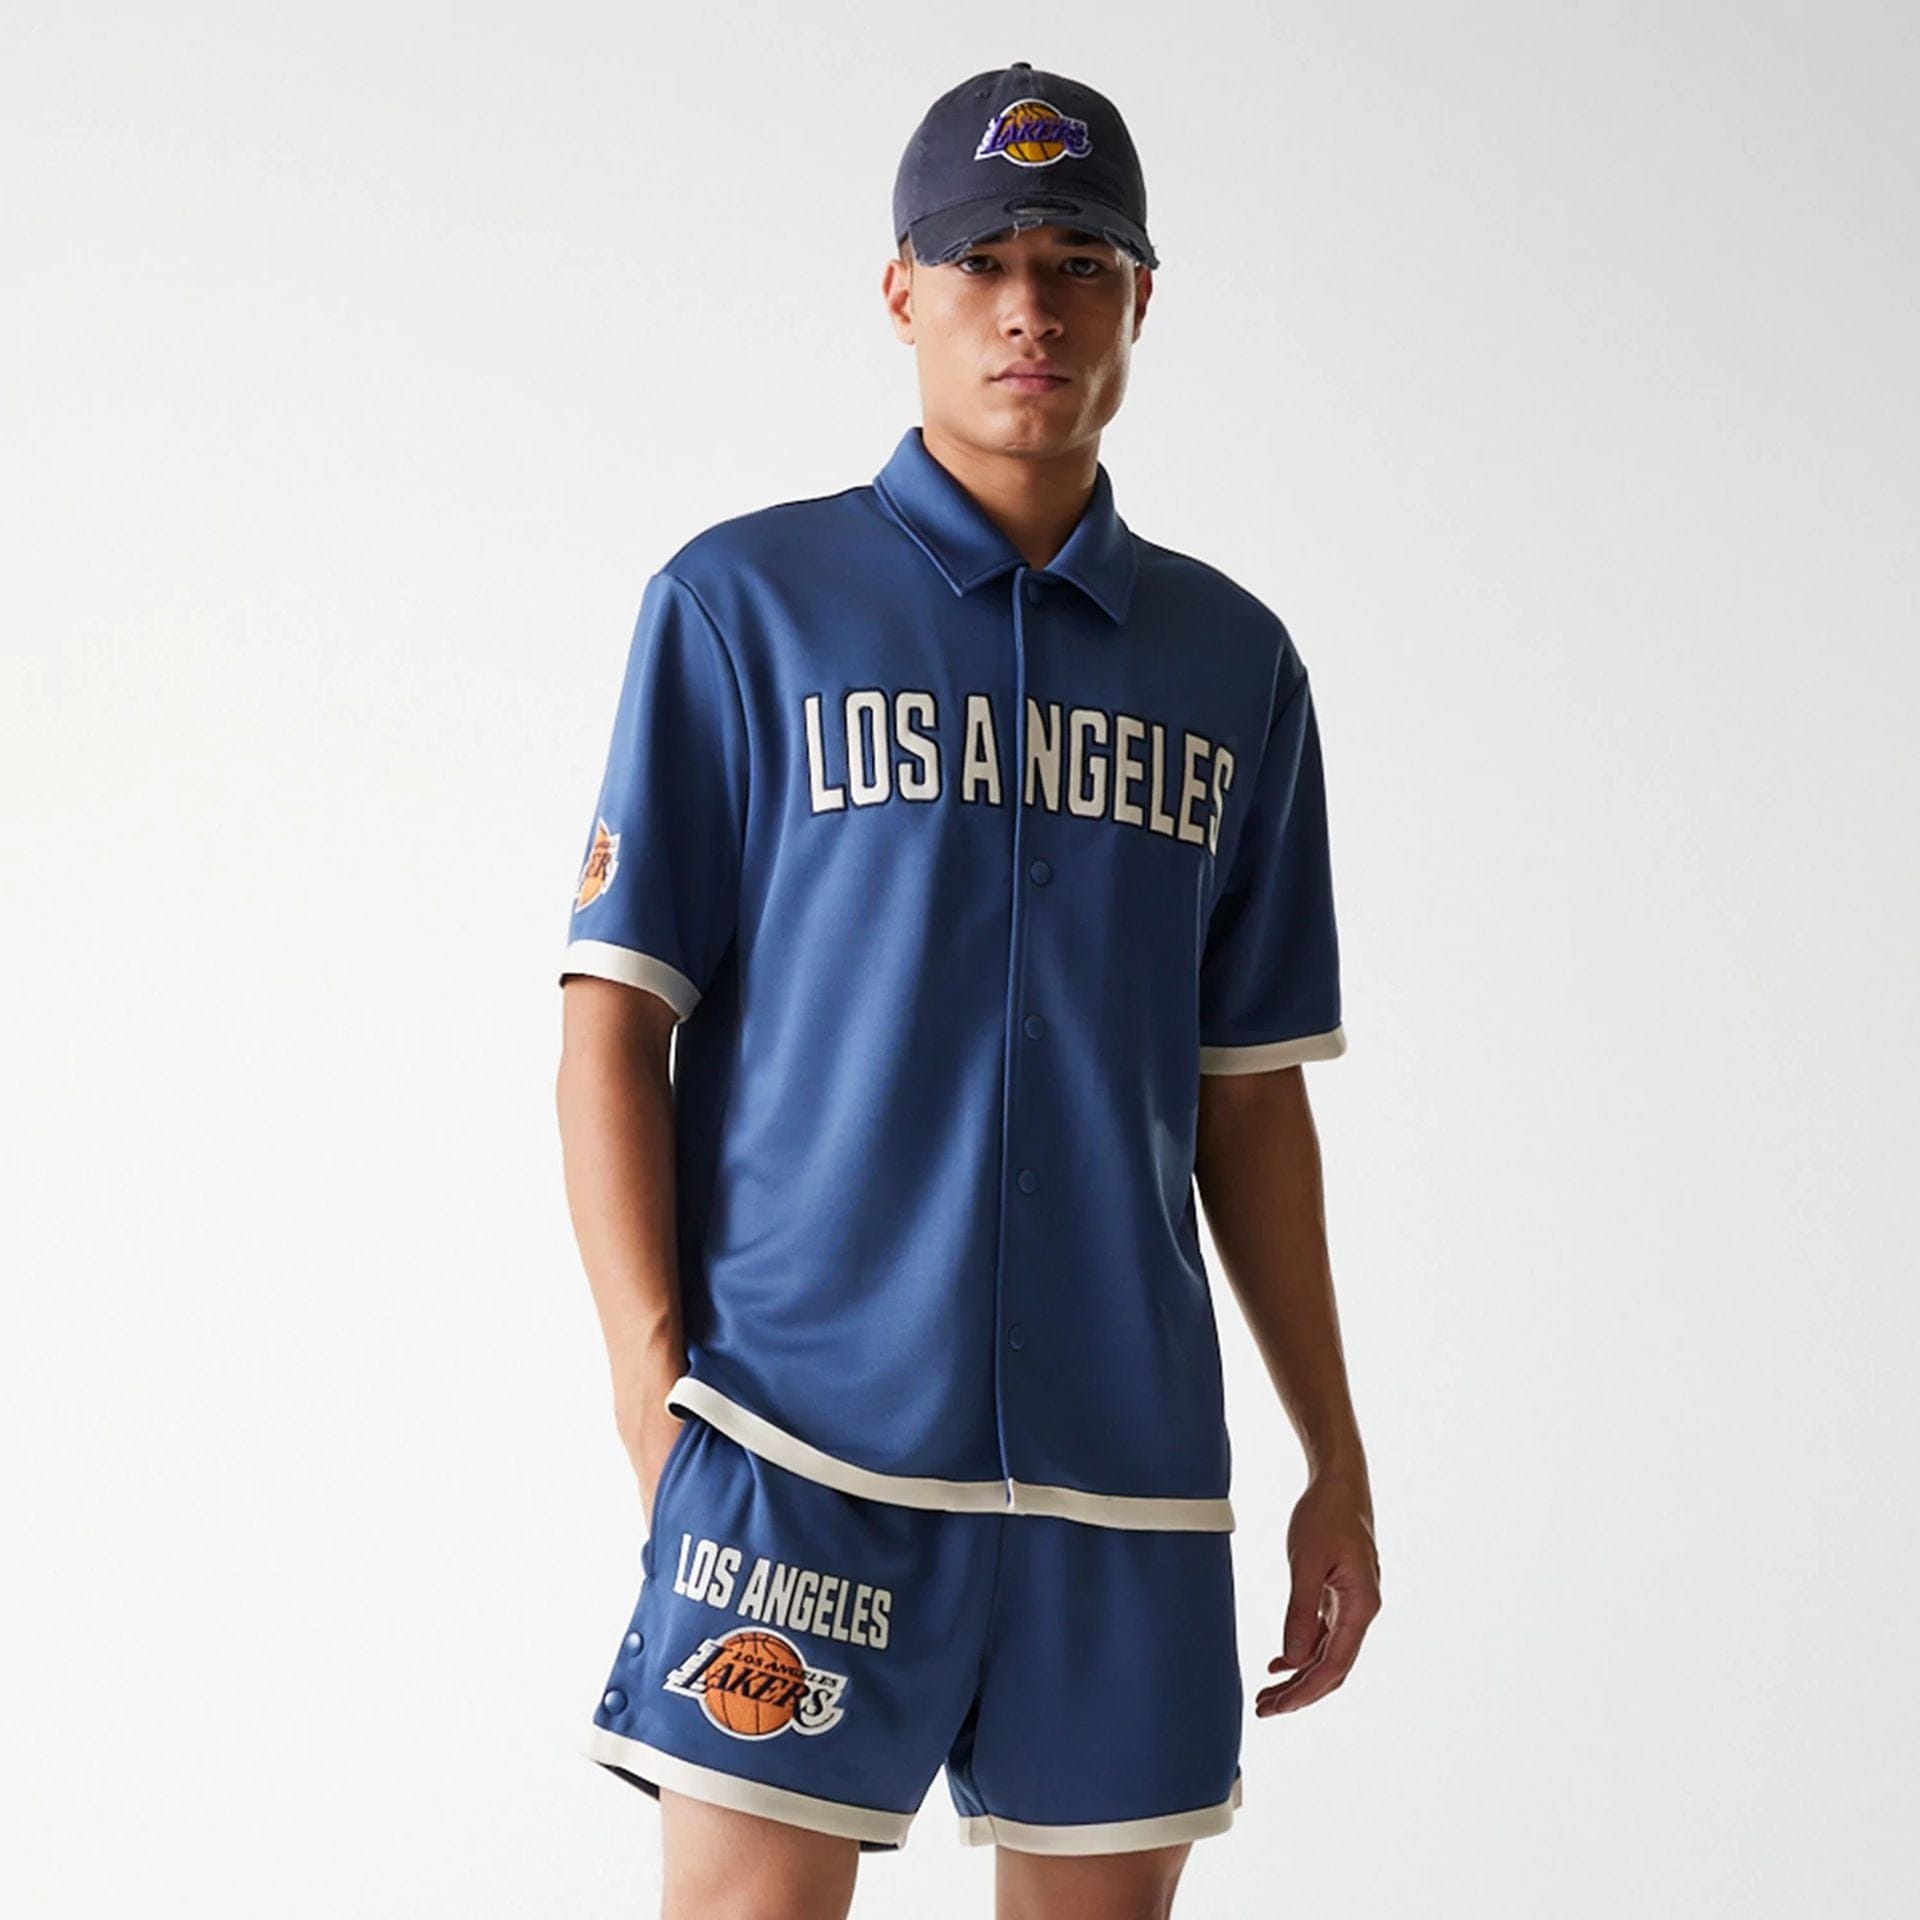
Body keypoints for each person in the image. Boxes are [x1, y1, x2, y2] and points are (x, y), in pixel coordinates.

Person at [555, 58, 1381, 1920]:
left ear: (1141, 298)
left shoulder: (1234, 664)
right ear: (902, 291)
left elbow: (1250, 1093)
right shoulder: (743, 605)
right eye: (984, 261)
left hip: (1122, 1468)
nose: (1032, 309)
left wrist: (1335, 1457)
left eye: (1080, 265)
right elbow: (612, 1015)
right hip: (800, 1442)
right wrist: (647, 1383)